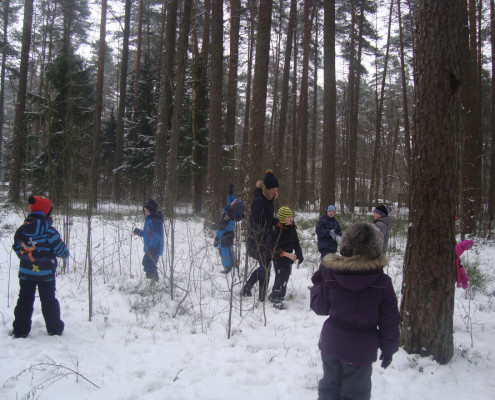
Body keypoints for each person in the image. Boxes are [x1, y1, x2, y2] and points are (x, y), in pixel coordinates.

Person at [310, 222, 400, 400]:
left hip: (332, 344)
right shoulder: (382, 282)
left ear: (346, 246)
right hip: (361, 350)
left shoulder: (333, 274)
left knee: (329, 390)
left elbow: (320, 307)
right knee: (355, 395)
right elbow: (389, 321)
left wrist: (319, 283)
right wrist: (389, 348)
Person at [10, 196, 69, 338]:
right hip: (46, 274)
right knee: (48, 300)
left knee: (24, 299)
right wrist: (64, 254)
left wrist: (25, 259)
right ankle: (54, 328)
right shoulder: (50, 231)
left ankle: (20, 329)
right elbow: (60, 250)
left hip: (25, 272)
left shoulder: (22, 230)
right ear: (47, 212)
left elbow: (17, 247)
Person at [243, 169, 279, 301]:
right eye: (272, 189)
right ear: (266, 189)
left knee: (265, 266)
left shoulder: (268, 199)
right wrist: (265, 232)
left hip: (265, 238)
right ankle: (261, 298)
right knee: (265, 267)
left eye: (276, 189)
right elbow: (253, 222)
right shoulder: (259, 201)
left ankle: (247, 288)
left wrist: (278, 222)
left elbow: (267, 219)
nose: (275, 191)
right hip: (256, 239)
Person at [267, 206, 303, 303]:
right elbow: (273, 248)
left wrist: (299, 254)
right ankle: (275, 296)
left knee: (286, 276)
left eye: (291, 216)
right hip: (278, 259)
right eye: (288, 217)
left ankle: (281, 295)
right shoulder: (277, 231)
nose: (291, 219)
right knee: (280, 277)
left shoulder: (292, 228)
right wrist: (287, 254)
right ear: (283, 218)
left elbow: (296, 242)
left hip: (287, 259)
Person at [214, 184, 245, 274]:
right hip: (230, 233)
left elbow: (220, 229)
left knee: (224, 250)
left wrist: (217, 239)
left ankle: (227, 267)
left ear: (234, 206)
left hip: (223, 235)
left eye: (233, 202)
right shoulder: (235, 213)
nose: (232, 202)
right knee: (230, 248)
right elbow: (231, 202)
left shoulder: (227, 216)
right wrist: (231, 193)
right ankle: (234, 262)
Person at [133, 199, 164, 281]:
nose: (145, 212)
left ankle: (152, 281)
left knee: (147, 263)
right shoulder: (149, 220)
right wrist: (140, 232)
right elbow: (148, 234)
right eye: (144, 210)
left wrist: (152, 247)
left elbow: (157, 234)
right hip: (151, 247)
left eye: (147, 210)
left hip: (154, 248)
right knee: (150, 264)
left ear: (152, 210)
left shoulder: (155, 220)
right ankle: (153, 281)